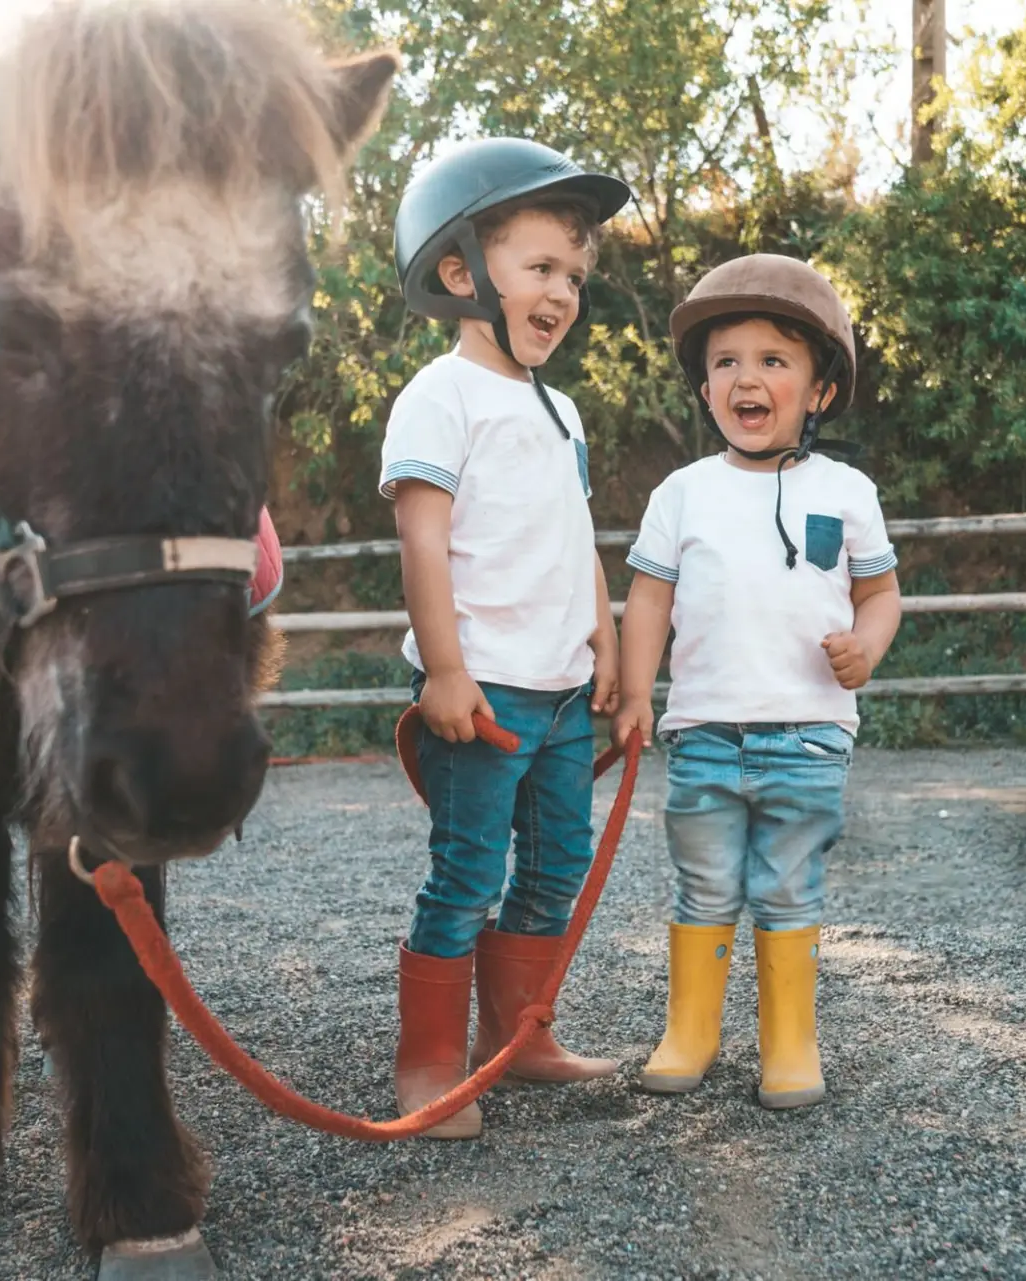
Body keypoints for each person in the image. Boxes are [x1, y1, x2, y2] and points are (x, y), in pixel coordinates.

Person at [380, 139, 632, 1138]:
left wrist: (608, 644)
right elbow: (423, 541)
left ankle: (519, 1037)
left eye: (573, 276)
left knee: (555, 865)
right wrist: (444, 668)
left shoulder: (561, 409)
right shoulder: (439, 397)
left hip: (566, 692)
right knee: (468, 871)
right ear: (460, 274)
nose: (563, 293)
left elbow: (576, 538)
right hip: (481, 691)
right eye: (541, 269)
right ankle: (429, 1062)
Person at [613, 254, 903, 1108]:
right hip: (702, 731)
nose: (748, 378)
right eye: (727, 362)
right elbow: (648, 600)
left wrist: (868, 644)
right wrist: (635, 695)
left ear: (819, 391)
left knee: (786, 887)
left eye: (774, 361)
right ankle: (691, 1031)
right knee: (702, 884)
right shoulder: (682, 493)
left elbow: (881, 592)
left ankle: (790, 1043)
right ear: (705, 390)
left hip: (811, 734)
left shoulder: (847, 491)